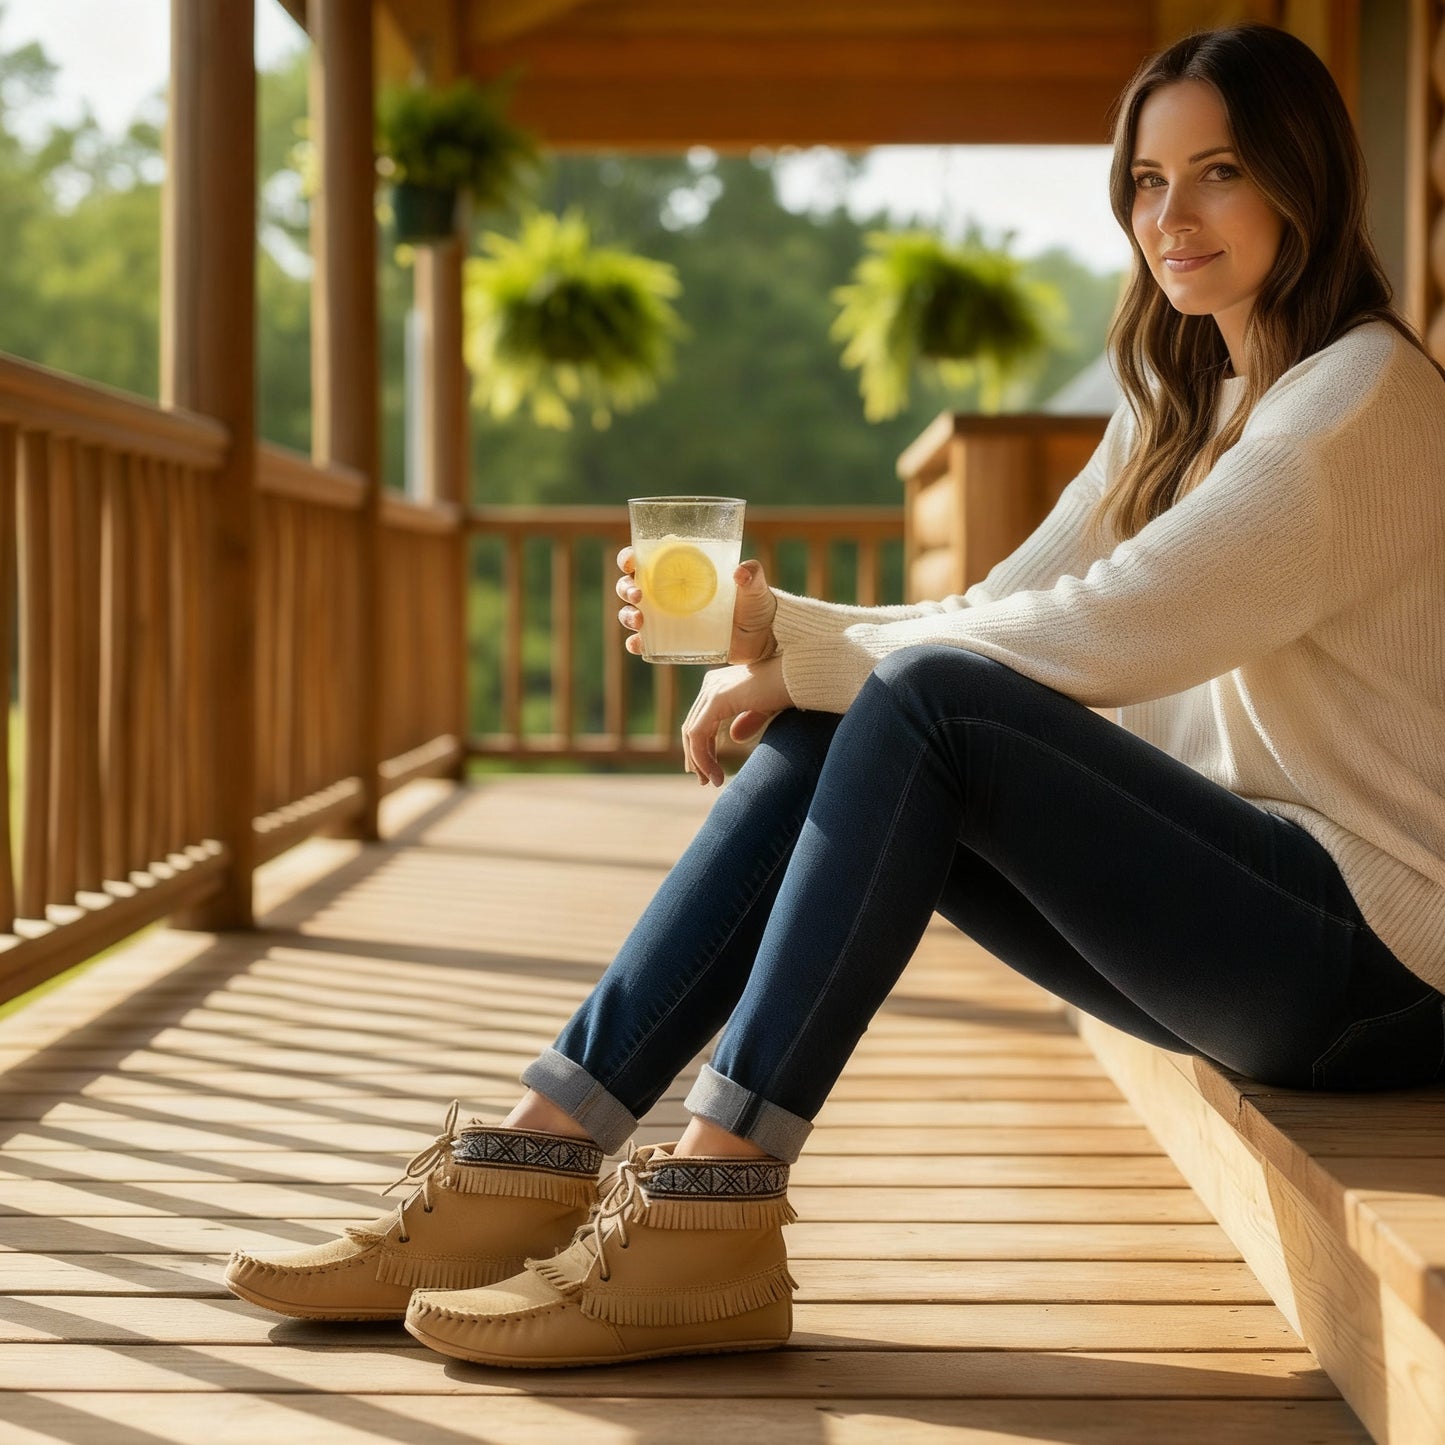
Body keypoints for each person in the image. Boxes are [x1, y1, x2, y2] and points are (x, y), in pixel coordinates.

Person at [226, 21, 1445, 1369]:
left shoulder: (1351, 407)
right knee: (869, 708)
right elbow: (998, 600)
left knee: (923, 702)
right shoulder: (1184, 403)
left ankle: (709, 1205)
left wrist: (799, 656)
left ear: (1301, 178)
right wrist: (780, 639)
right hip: (1260, 934)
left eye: (1215, 172)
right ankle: (537, 1152)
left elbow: (1103, 631)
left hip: (1378, 963)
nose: (1171, 215)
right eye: (1146, 182)